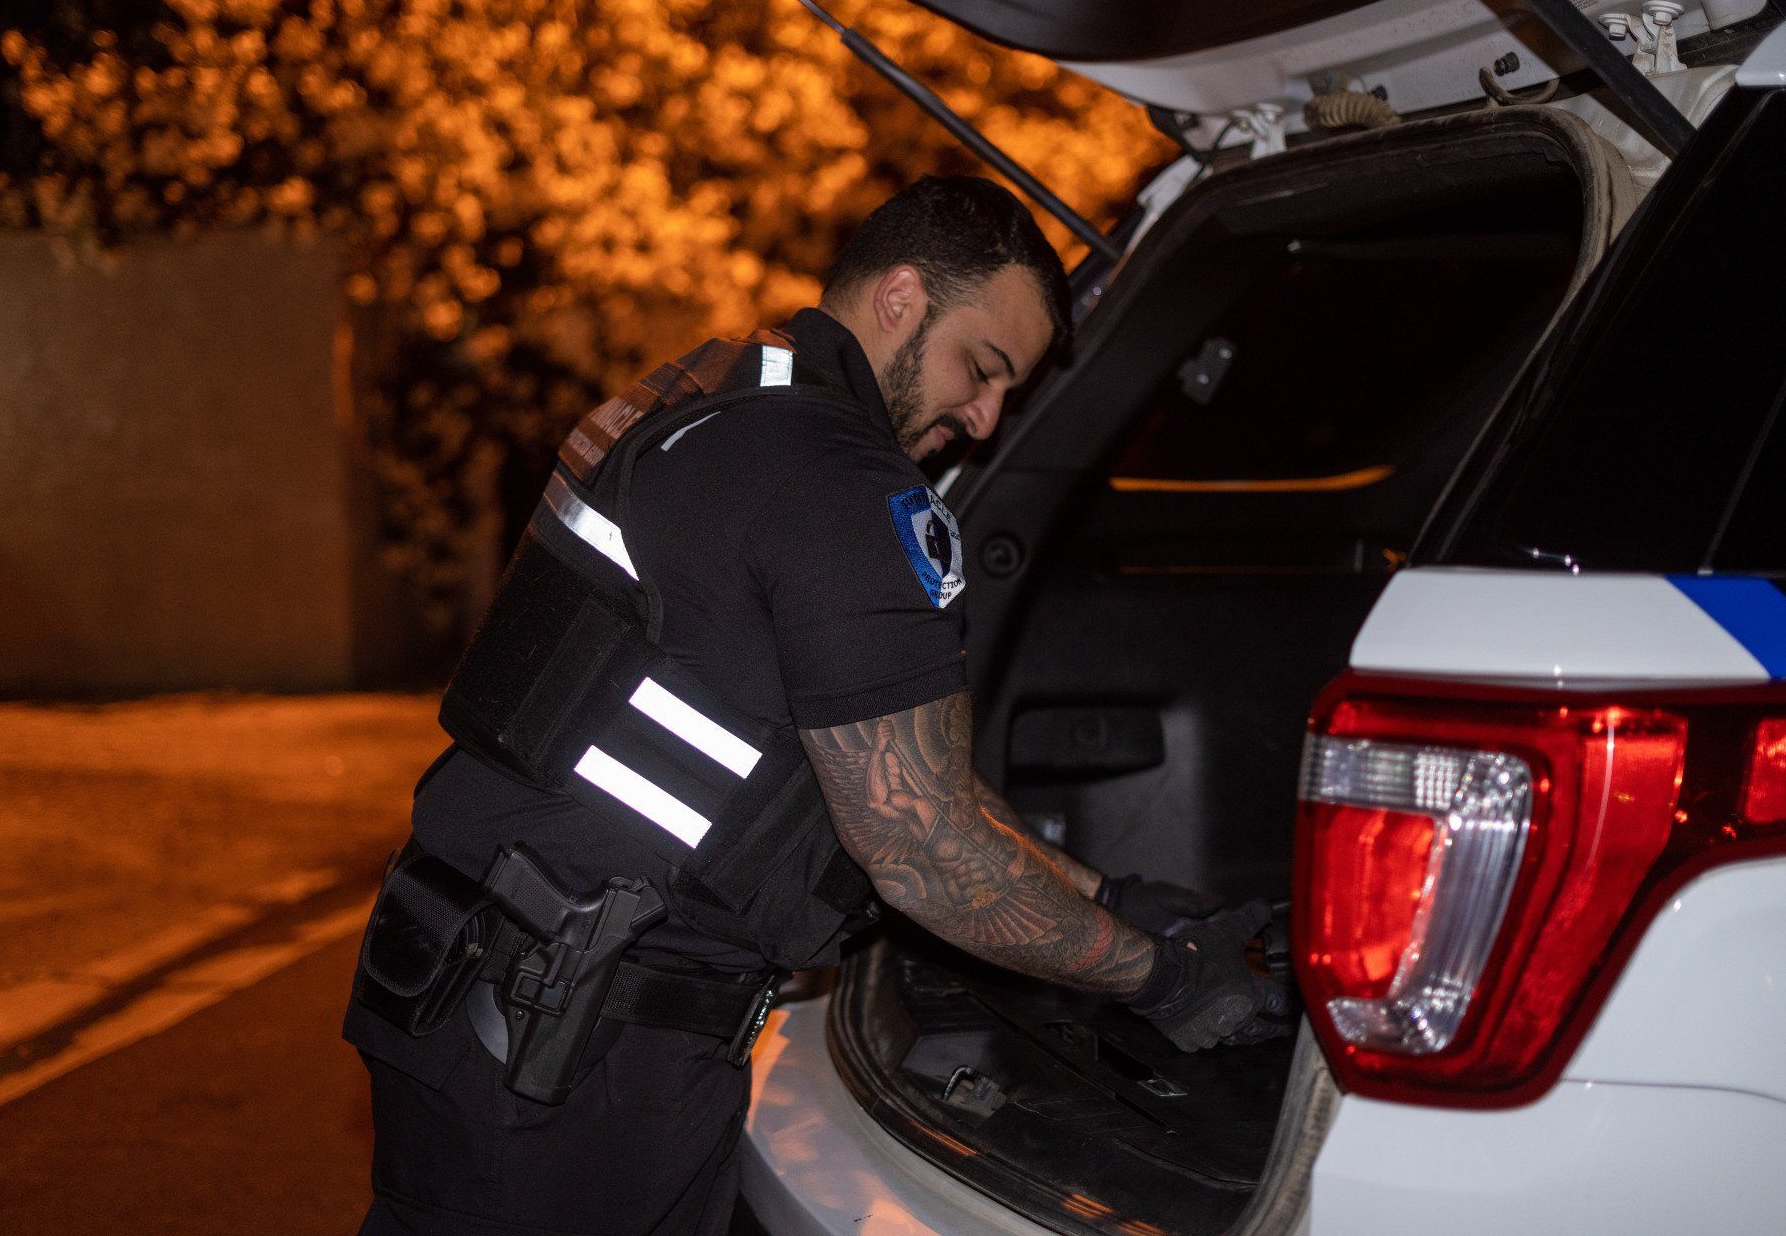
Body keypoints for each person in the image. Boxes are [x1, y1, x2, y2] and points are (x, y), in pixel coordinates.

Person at [343, 176, 1288, 1236]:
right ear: (899, 296)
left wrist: (1108, 891)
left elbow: (885, 766)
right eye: (982, 368)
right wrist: (1156, 972)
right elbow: (921, 845)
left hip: (477, 989)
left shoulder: (705, 395)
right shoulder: (837, 482)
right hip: (578, 1045)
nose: (985, 417)